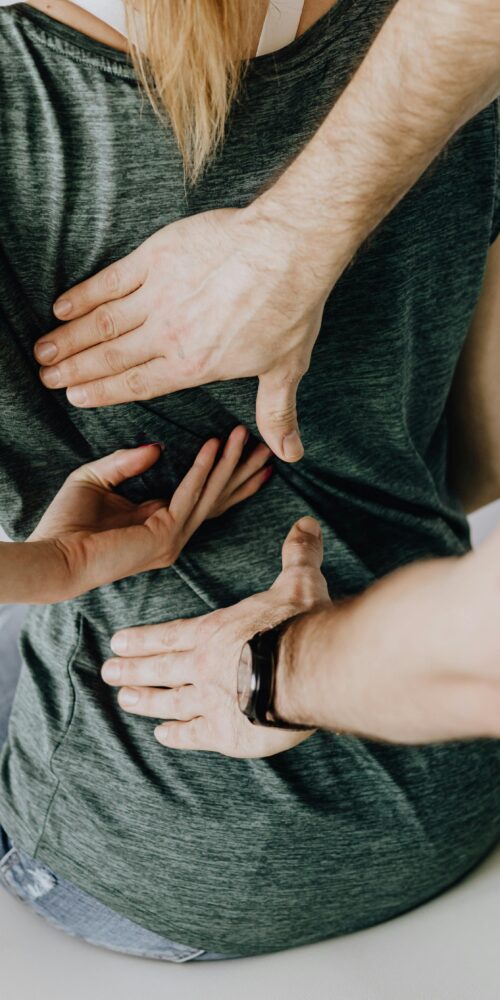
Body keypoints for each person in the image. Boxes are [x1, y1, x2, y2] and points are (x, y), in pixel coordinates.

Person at [1, 0, 500, 965]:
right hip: (454, 774)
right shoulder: (439, 56)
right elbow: (482, 450)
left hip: (166, 865)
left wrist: (57, 564)